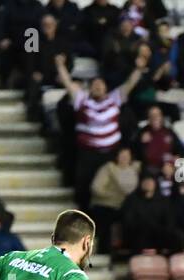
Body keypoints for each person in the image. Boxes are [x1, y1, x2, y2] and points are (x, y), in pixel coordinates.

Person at [55, 51, 146, 210]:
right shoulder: (82, 100)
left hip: (110, 153)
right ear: (90, 89)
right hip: (88, 154)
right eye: (94, 85)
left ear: (106, 88)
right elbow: (68, 83)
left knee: (107, 188)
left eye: (100, 84)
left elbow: (129, 84)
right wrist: (60, 66)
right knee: (84, 187)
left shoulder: (114, 99)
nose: (97, 86)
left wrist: (138, 69)